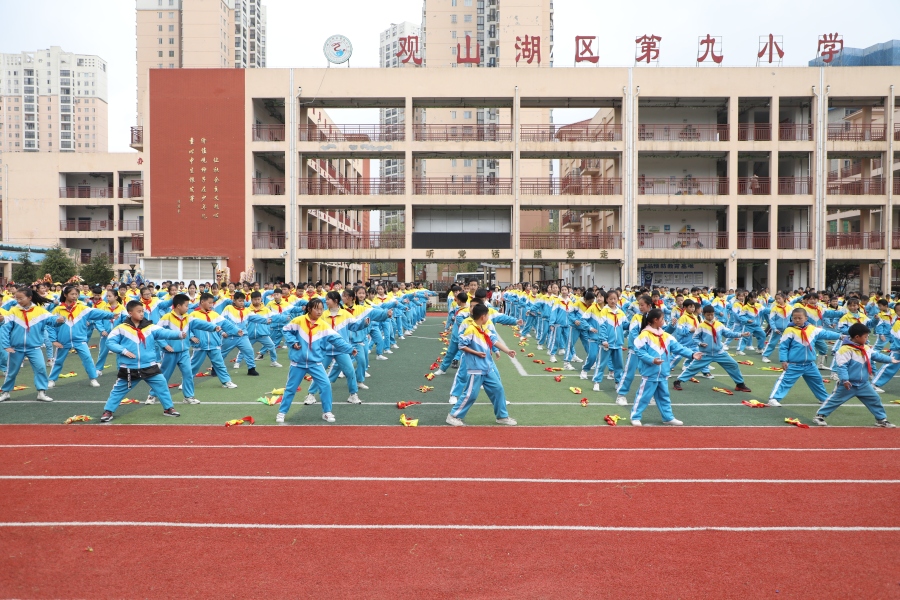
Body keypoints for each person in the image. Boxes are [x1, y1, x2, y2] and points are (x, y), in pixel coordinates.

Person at [99, 301, 189, 422]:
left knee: (162, 385)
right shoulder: (120, 329)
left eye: (142, 311)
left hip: (149, 365)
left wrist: (178, 334)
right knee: (119, 389)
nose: (142, 314)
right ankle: (108, 411)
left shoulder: (150, 327)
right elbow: (110, 342)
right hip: (129, 367)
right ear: (130, 313)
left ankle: (168, 408)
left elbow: (164, 332)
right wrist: (124, 351)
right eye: (139, 311)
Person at [277, 297, 357, 424]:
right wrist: (293, 342)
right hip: (298, 363)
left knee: (325, 385)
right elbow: (286, 330)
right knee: (291, 388)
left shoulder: (323, 325)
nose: (320, 312)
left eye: (321, 309)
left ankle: (327, 412)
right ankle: (282, 412)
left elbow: (337, 339)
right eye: (316, 309)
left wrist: (349, 349)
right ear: (309, 309)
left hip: (316, 363)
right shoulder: (298, 321)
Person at [446, 302, 518, 426]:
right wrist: (476, 353)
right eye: (488, 315)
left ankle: (502, 416)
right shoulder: (471, 329)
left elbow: (494, 340)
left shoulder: (484, 328)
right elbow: (462, 345)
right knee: (471, 394)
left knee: (498, 389)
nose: (489, 318)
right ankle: (453, 415)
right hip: (476, 368)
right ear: (483, 317)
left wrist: (507, 351)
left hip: (487, 367)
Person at [815, 323, 897, 427]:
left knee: (875, 399)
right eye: (866, 337)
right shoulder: (845, 350)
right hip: (848, 384)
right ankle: (820, 416)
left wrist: (890, 359)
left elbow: (876, 355)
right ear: (857, 337)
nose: (867, 339)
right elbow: (842, 367)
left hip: (863, 384)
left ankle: (881, 419)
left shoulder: (865, 347)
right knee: (834, 400)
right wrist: (845, 380)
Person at [630, 308, 702, 426]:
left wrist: (692, 354)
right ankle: (635, 416)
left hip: (663, 372)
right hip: (650, 372)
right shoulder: (644, 335)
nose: (664, 321)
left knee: (664, 396)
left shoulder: (666, 336)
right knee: (643, 396)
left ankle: (668, 417)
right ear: (655, 320)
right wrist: (652, 360)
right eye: (662, 319)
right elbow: (640, 351)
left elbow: (678, 348)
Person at [152, 293, 222, 405]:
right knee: (165, 375)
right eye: (186, 305)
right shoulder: (167, 318)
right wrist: (165, 345)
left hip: (184, 351)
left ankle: (188, 396)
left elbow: (200, 324)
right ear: (178, 306)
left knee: (188, 373)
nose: (188, 308)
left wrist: (214, 327)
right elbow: (156, 333)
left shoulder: (188, 318)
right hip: (170, 352)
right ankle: (152, 395)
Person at [767, 307, 842, 407]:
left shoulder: (812, 329)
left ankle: (823, 398)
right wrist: (784, 360)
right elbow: (783, 347)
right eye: (794, 318)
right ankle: (774, 398)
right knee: (785, 381)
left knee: (817, 381)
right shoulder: (789, 330)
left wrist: (840, 336)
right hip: (794, 364)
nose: (797, 320)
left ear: (806, 318)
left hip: (810, 364)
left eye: (800, 318)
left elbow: (826, 334)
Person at [47, 285, 117, 389]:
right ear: (65, 295)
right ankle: (52, 380)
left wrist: (111, 315)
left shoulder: (81, 308)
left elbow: (96, 312)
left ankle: (93, 378)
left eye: (76, 294)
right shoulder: (58, 310)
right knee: (58, 361)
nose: (74, 296)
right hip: (63, 341)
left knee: (87, 358)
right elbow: (50, 325)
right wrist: (53, 340)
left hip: (79, 340)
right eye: (72, 294)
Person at [673, 305, 752, 392]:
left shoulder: (719, 325)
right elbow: (695, 337)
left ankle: (740, 384)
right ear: (704, 315)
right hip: (705, 353)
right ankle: (678, 381)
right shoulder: (701, 326)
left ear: (714, 314)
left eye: (712, 315)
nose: (710, 317)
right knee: (693, 367)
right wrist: (700, 343)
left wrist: (741, 334)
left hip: (720, 353)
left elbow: (729, 333)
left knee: (733, 364)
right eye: (708, 315)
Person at [0, 287, 56, 402]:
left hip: (34, 348)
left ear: (30, 298)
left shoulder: (40, 311)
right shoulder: (13, 311)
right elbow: (5, 329)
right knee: (11, 372)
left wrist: (60, 320)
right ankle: (6, 392)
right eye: (17, 298)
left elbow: (52, 320)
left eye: (21, 298)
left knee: (40, 368)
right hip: (16, 348)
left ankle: (41, 392)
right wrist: (6, 345)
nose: (18, 301)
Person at [189, 292, 239, 389]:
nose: (212, 305)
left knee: (220, 364)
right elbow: (186, 327)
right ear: (202, 302)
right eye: (209, 302)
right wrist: (191, 336)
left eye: (212, 303)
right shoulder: (193, 314)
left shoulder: (215, 314)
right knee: (193, 365)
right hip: (200, 344)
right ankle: (186, 382)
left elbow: (226, 324)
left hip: (214, 344)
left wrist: (237, 330)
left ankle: (226, 381)